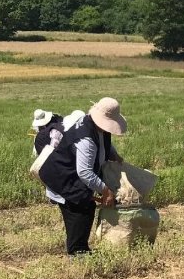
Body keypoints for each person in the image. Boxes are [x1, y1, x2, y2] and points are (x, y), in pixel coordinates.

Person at [39, 98, 127, 256]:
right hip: (63, 178)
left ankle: (81, 249)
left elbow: (104, 144)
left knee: (86, 206)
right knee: (80, 210)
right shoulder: (86, 139)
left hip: (73, 174)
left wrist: (115, 156)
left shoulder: (97, 127)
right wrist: (106, 191)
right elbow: (85, 172)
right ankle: (78, 252)